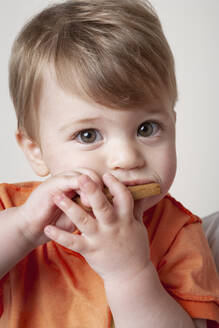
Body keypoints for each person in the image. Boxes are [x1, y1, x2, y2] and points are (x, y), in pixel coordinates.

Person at [0, 0, 219, 327]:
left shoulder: (177, 232)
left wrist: (130, 273)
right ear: (35, 150)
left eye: (147, 128)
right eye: (88, 135)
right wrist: (23, 230)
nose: (127, 157)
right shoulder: (11, 210)